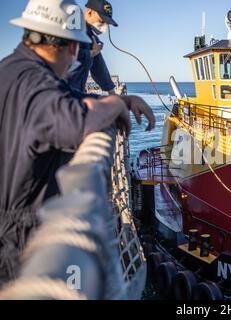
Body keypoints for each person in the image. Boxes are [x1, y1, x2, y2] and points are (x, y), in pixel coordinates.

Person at [0, 0, 155, 287]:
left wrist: (115, 100)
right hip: (18, 238)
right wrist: (114, 105)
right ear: (72, 48)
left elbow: (67, 99)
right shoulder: (36, 84)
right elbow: (76, 120)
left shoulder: (11, 70)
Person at [65, 0, 118, 94]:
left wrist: (112, 93)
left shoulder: (92, 39)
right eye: (102, 21)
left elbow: (99, 68)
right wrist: (91, 53)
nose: (104, 26)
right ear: (90, 12)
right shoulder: (69, 26)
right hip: (58, 91)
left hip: (76, 94)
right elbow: (62, 52)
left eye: (106, 23)